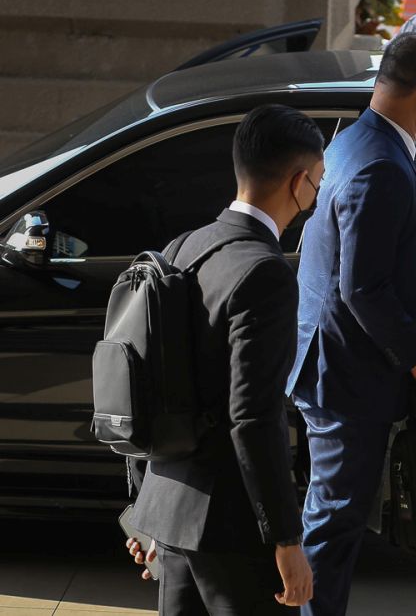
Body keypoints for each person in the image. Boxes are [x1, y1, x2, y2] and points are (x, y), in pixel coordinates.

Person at [125, 104, 323, 614]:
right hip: (232, 528)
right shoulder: (266, 273)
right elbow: (254, 418)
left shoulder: (182, 248)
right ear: (299, 182)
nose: (318, 194)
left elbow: (140, 383)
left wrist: (142, 508)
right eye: (318, 181)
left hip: (168, 516)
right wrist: (286, 538)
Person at [286, 32, 416, 616]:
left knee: (330, 512)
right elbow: (360, 287)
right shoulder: (380, 166)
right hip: (347, 376)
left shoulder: (356, 139)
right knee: (333, 521)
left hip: (332, 361)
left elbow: (361, 259)